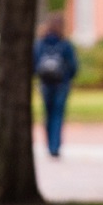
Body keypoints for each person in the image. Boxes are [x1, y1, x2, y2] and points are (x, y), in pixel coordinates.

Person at [34, 15, 77, 158]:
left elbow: (35, 63)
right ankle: (55, 145)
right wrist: (67, 77)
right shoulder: (65, 44)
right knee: (58, 115)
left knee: (47, 115)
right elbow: (73, 66)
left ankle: (49, 144)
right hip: (61, 84)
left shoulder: (41, 43)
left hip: (45, 84)